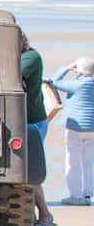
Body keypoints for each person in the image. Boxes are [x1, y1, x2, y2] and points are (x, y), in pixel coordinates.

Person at [47, 57, 94, 205]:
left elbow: (54, 81)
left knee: (72, 162)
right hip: (92, 128)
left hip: (75, 128)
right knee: (89, 162)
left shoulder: (77, 84)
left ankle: (75, 196)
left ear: (79, 71)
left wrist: (66, 68)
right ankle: (88, 194)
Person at [21, 32, 53, 226]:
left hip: (33, 121)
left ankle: (45, 216)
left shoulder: (30, 57)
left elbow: (12, 75)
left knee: (29, 171)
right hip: (23, 120)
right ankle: (29, 215)